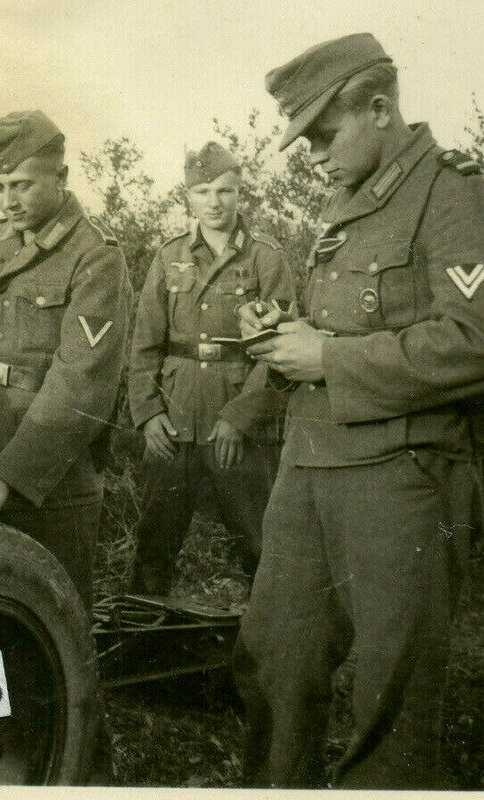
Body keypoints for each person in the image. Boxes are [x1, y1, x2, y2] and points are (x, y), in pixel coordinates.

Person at [232, 33, 484, 789]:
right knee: (272, 664)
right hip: (307, 468)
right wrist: (282, 335)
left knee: (391, 698)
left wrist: (329, 359)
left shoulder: (452, 194)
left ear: (378, 108)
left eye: (320, 134)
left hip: (399, 482)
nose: (309, 154)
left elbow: (472, 339)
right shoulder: (344, 199)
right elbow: (340, 322)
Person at [0, 110, 132, 609]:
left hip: (48, 481)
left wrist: (4, 482)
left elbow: (79, 386)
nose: (7, 201)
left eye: (21, 185)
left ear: (60, 178)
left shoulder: (95, 256)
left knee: (52, 617)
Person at [126, 142, 294, 596]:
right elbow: (144, 343)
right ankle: (148, 642)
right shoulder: (169, 256)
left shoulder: (265, 258)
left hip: (237, 425)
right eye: (202, 191)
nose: (214, 202)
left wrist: (240, 418)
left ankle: (264, 658)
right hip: (173, 422)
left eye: (224, 191)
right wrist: (147, 414)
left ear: (241, 194)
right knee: (154, 546)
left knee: (260, 547)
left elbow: (278, 349)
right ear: (188, 196)